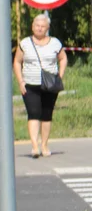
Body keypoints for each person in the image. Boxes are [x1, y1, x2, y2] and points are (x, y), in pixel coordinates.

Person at [14, 12, 67, 158]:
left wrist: (59, 77)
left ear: (47, 28)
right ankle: (34, 146)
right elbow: (17, 62)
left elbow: (63, 59)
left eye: (42, 26)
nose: (39, 28)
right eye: (37, 25)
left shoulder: (55, 43)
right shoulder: (24, 43)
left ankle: (44, 145)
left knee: (46, 115)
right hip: (30, 84)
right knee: (33, 114)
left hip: (50, 85)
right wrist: (21, 81)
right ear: (32, 27)